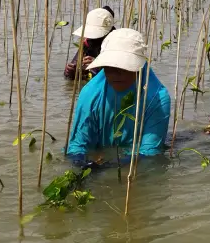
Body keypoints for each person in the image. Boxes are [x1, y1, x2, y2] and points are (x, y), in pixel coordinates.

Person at [67, 28, 171, 162]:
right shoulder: (90, 93)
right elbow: (77, 144)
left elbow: (150, 151)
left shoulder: (157, 98)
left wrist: (110, 167)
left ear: (138, 66)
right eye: (109, 66)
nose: (115, 73)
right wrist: (79, 162)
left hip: (133, 158)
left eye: (123, 66)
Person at [64, 6, 116, 80]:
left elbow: (118, 77)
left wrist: (97, 65)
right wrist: (71, 72)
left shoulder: (116, 44)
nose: (92, 37)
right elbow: (72, 73)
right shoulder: (87, 44)